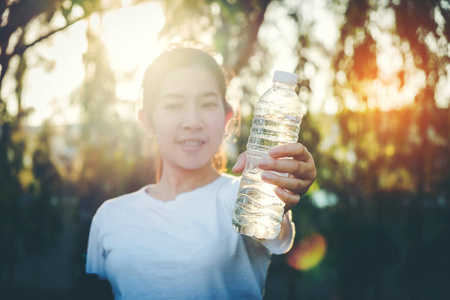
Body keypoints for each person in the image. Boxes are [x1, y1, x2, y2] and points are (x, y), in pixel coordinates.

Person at [85, 44, 316, 299]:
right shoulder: (109, 217)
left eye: (207, 104)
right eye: (173, 105)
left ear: (227, 119)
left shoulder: (236, 198)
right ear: (147, 120)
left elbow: (272, 221)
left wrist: (278, 193)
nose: (193, 122)